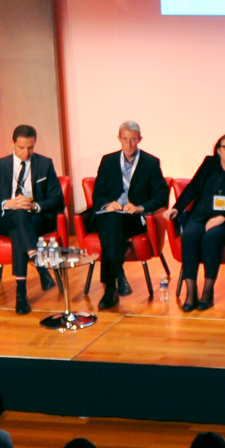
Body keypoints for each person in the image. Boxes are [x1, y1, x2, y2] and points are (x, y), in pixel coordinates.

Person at [166, 133, 225, 312]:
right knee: (190, 236)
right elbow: (193, 187)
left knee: (210, 238)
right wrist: (177, 207)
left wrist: (224, 217)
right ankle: (190, 292)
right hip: (201, 215)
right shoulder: (209, 164)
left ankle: (208, 292)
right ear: (218, 150)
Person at [84, 120, 168, 310]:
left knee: (112, 228)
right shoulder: (108, 161)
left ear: (140, 139)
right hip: (108, 215)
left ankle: (110, 289)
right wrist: (108, 204)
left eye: (133, 140)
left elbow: (161, 197)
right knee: (111, 220)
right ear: (119, 139)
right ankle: (117, 275)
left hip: (133, 218)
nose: (129, 145)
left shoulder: (151, 163)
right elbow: (98, 194)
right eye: (125, 139)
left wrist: (141, 207)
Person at [0, 124, 64, 315]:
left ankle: (21, 294)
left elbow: (57, 198)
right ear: (13, 143)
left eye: (30, 148)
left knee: (19, 228)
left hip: (36, 218)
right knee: (18, 215)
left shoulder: (45, 164)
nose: (26, 153)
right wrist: (9, 203)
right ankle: (39, 265)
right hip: (8, 217)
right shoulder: (0, 166)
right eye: (21, 148)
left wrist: (34, 205)